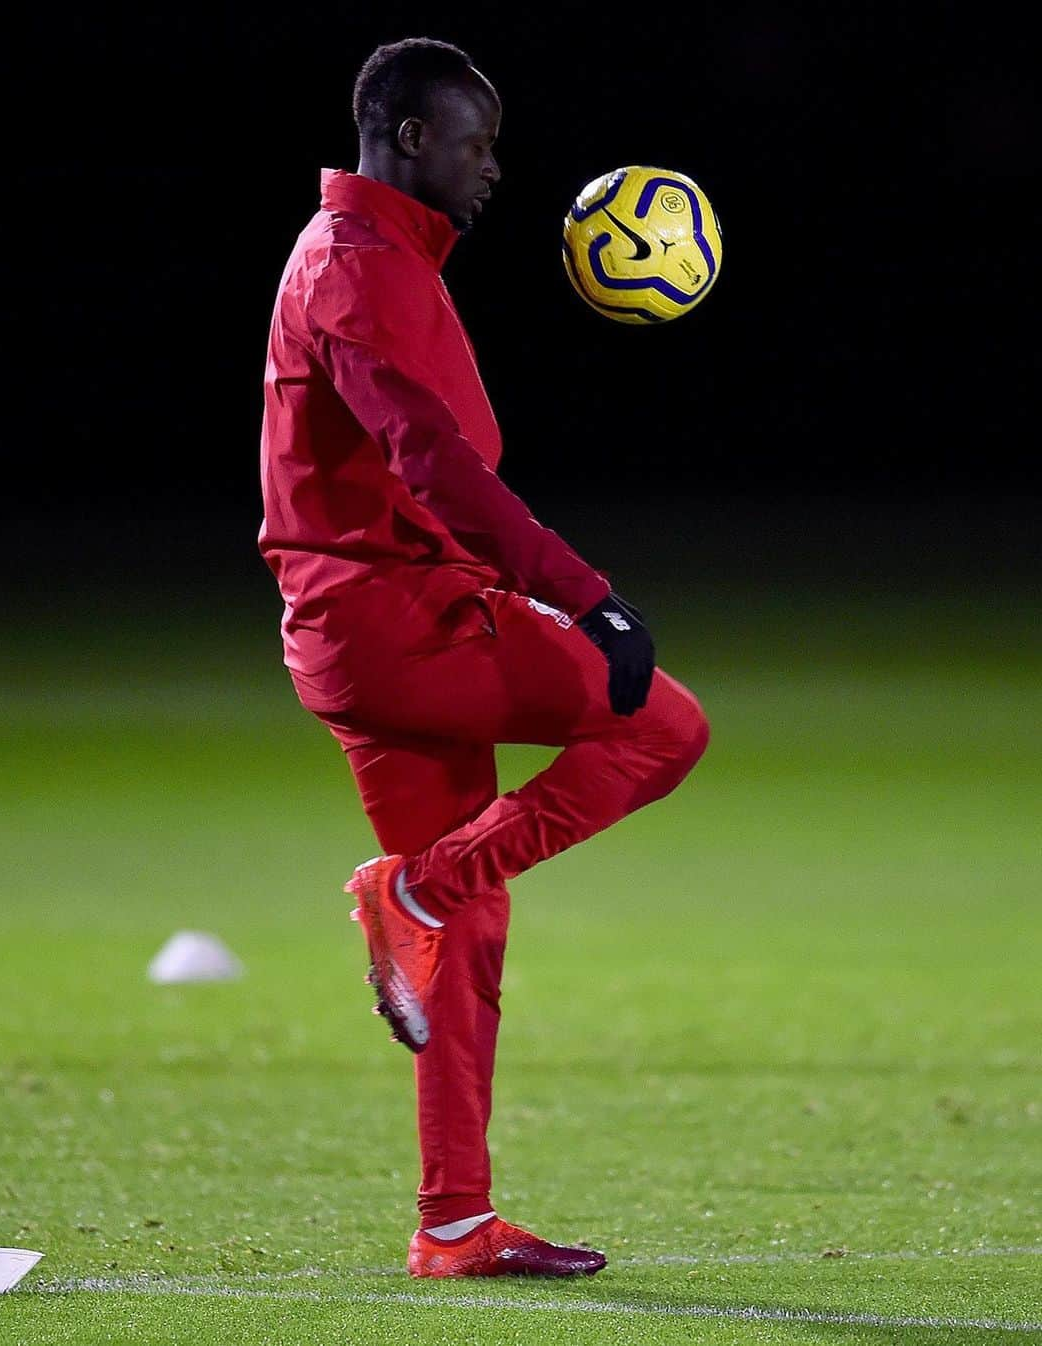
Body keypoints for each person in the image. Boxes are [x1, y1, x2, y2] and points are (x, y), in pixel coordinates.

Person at [258, 36, 709, 1279]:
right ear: (410, 137)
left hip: (361, 627)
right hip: (403, 619)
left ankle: (454, 1219)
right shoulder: (355, 265)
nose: (494, 167)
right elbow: (433, 465)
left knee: (467, 915)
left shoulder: (370, 252)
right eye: (475, 141)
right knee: (664, 724)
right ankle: (405, 889)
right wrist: (586, 594)